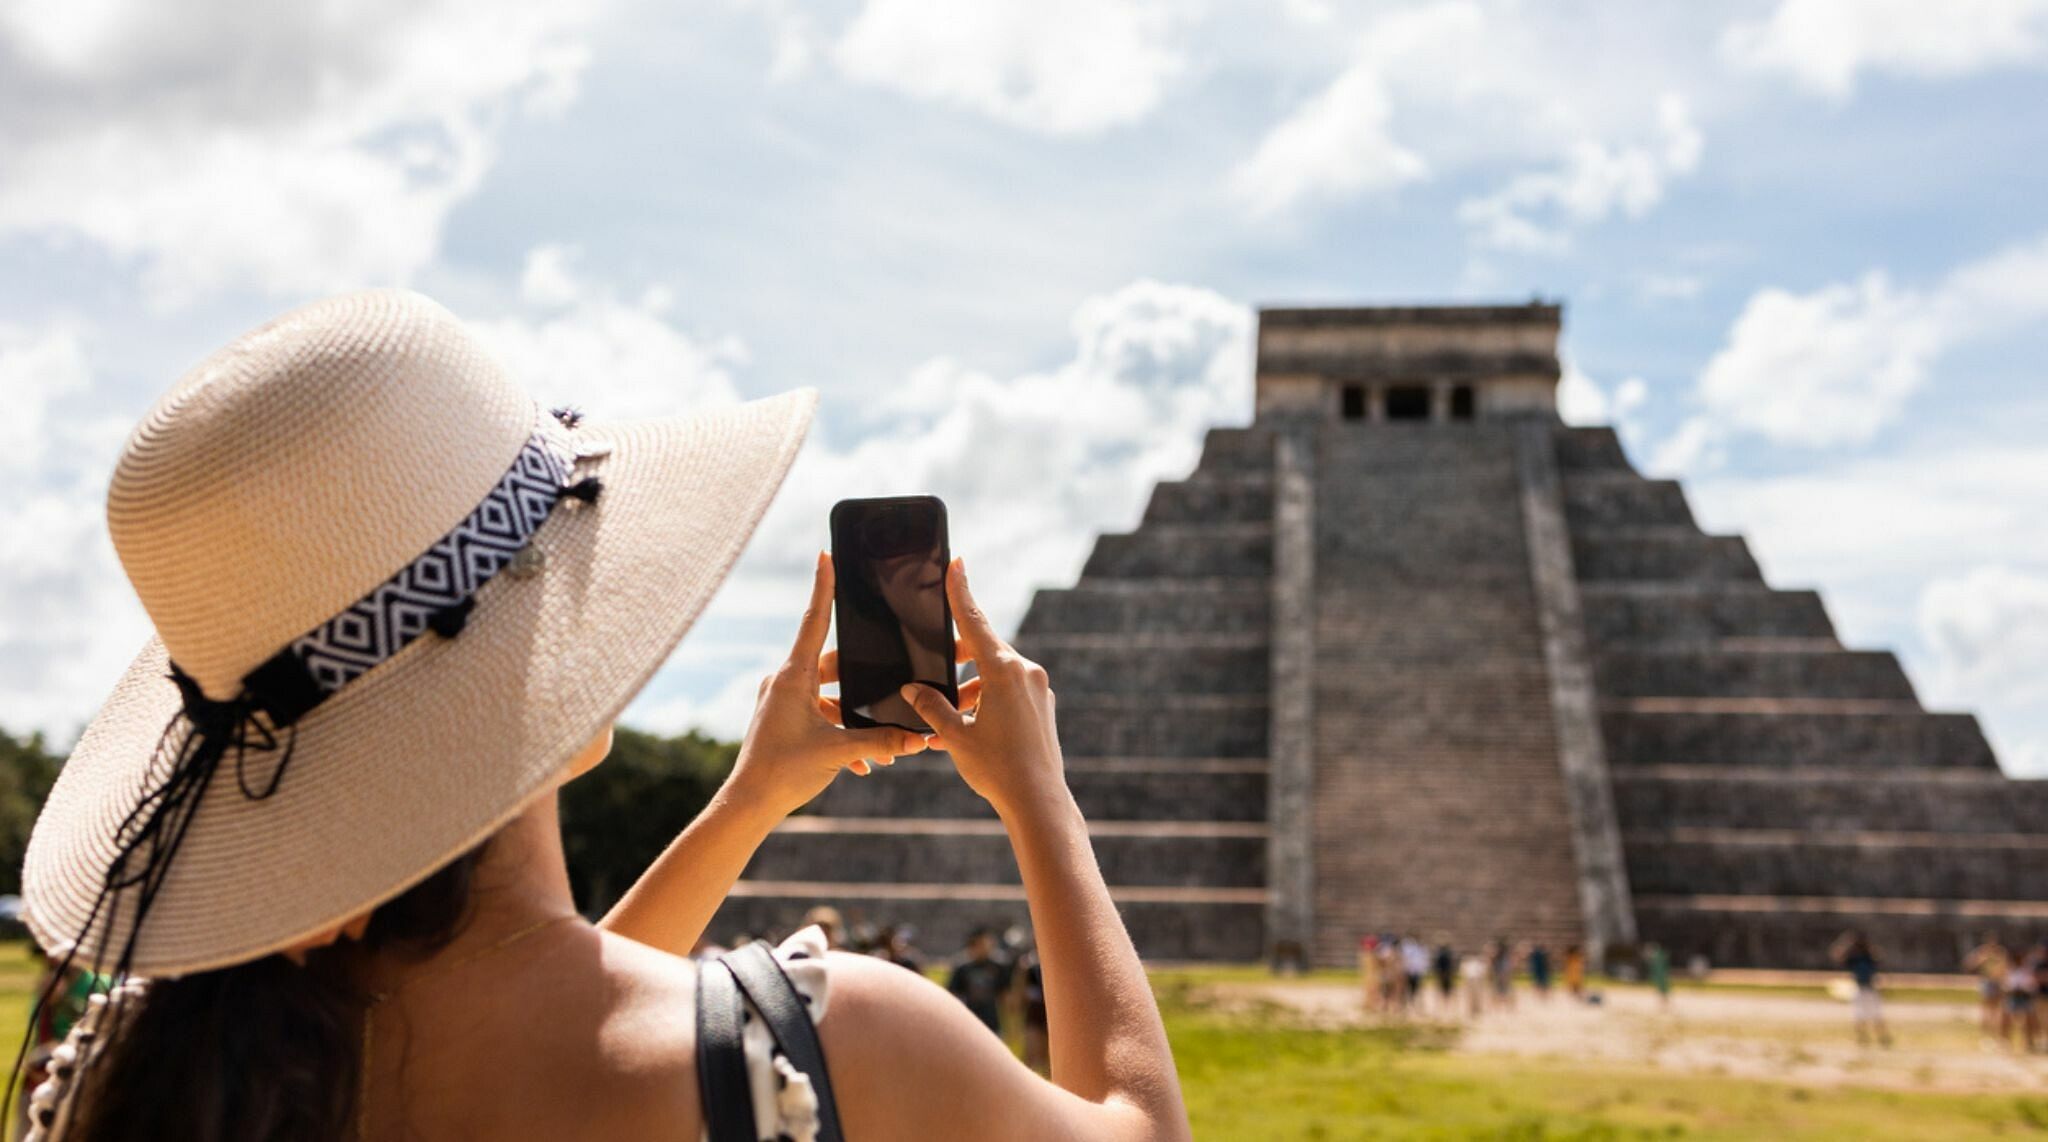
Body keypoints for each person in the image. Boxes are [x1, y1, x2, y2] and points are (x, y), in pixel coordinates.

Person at [9, 291, 1192, 1142]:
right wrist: (1042, 799)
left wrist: (747, 800)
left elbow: (532, 987)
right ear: (555, 673)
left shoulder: (132, 1077)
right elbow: (1136, 1125)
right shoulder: (841, 1049)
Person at [1830, 930, 1892, 1048]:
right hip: (1860, 988)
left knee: (1876, 1015)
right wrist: (1846, 943)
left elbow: (1879, 959)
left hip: (1870, 989)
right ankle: (1863, 1038)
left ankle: (1882, 1037)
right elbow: (1837, 956)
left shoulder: (1868, 956)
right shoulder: (1854, 958)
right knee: (1859, 1015)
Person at [948, 929, 1015, 1038]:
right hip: (969, 1020)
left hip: (992, 1022)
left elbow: (1005, 997)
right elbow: (953, 995)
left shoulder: (998, 967)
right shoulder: (963, 969)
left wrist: (1011, 1025)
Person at [1963, 933, 2011, 1043]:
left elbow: (2006, 968)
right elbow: (1969, 964)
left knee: (1997, 1011)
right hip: (1987, 982)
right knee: (1986, 1011)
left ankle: (1996, 1036)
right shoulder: (1982, 952)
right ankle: (1986, 1036)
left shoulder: (2000, 952)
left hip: (1997, 982)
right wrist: (1982, 959)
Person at [1645, 942, 1672, 1010]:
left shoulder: (1657, 956)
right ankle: (1663, 1001)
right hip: (1660, 975)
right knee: (1662, 988)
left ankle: (1664, 1001)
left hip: (1661, 975)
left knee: (1662, 988)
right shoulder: (1658, 956)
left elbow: (1657, 967)